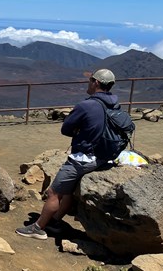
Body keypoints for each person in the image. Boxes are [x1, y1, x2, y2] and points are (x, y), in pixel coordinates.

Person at [15, 69, 119, 240]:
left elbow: (66, 129)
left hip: (82, 158)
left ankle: (38, 228)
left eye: (91, 79)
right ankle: (55, 221)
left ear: (96, 83)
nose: (89, 82)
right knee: (69, 192)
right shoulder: (114, 104)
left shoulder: (86, 106)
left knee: (53, 193)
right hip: (102, 157)